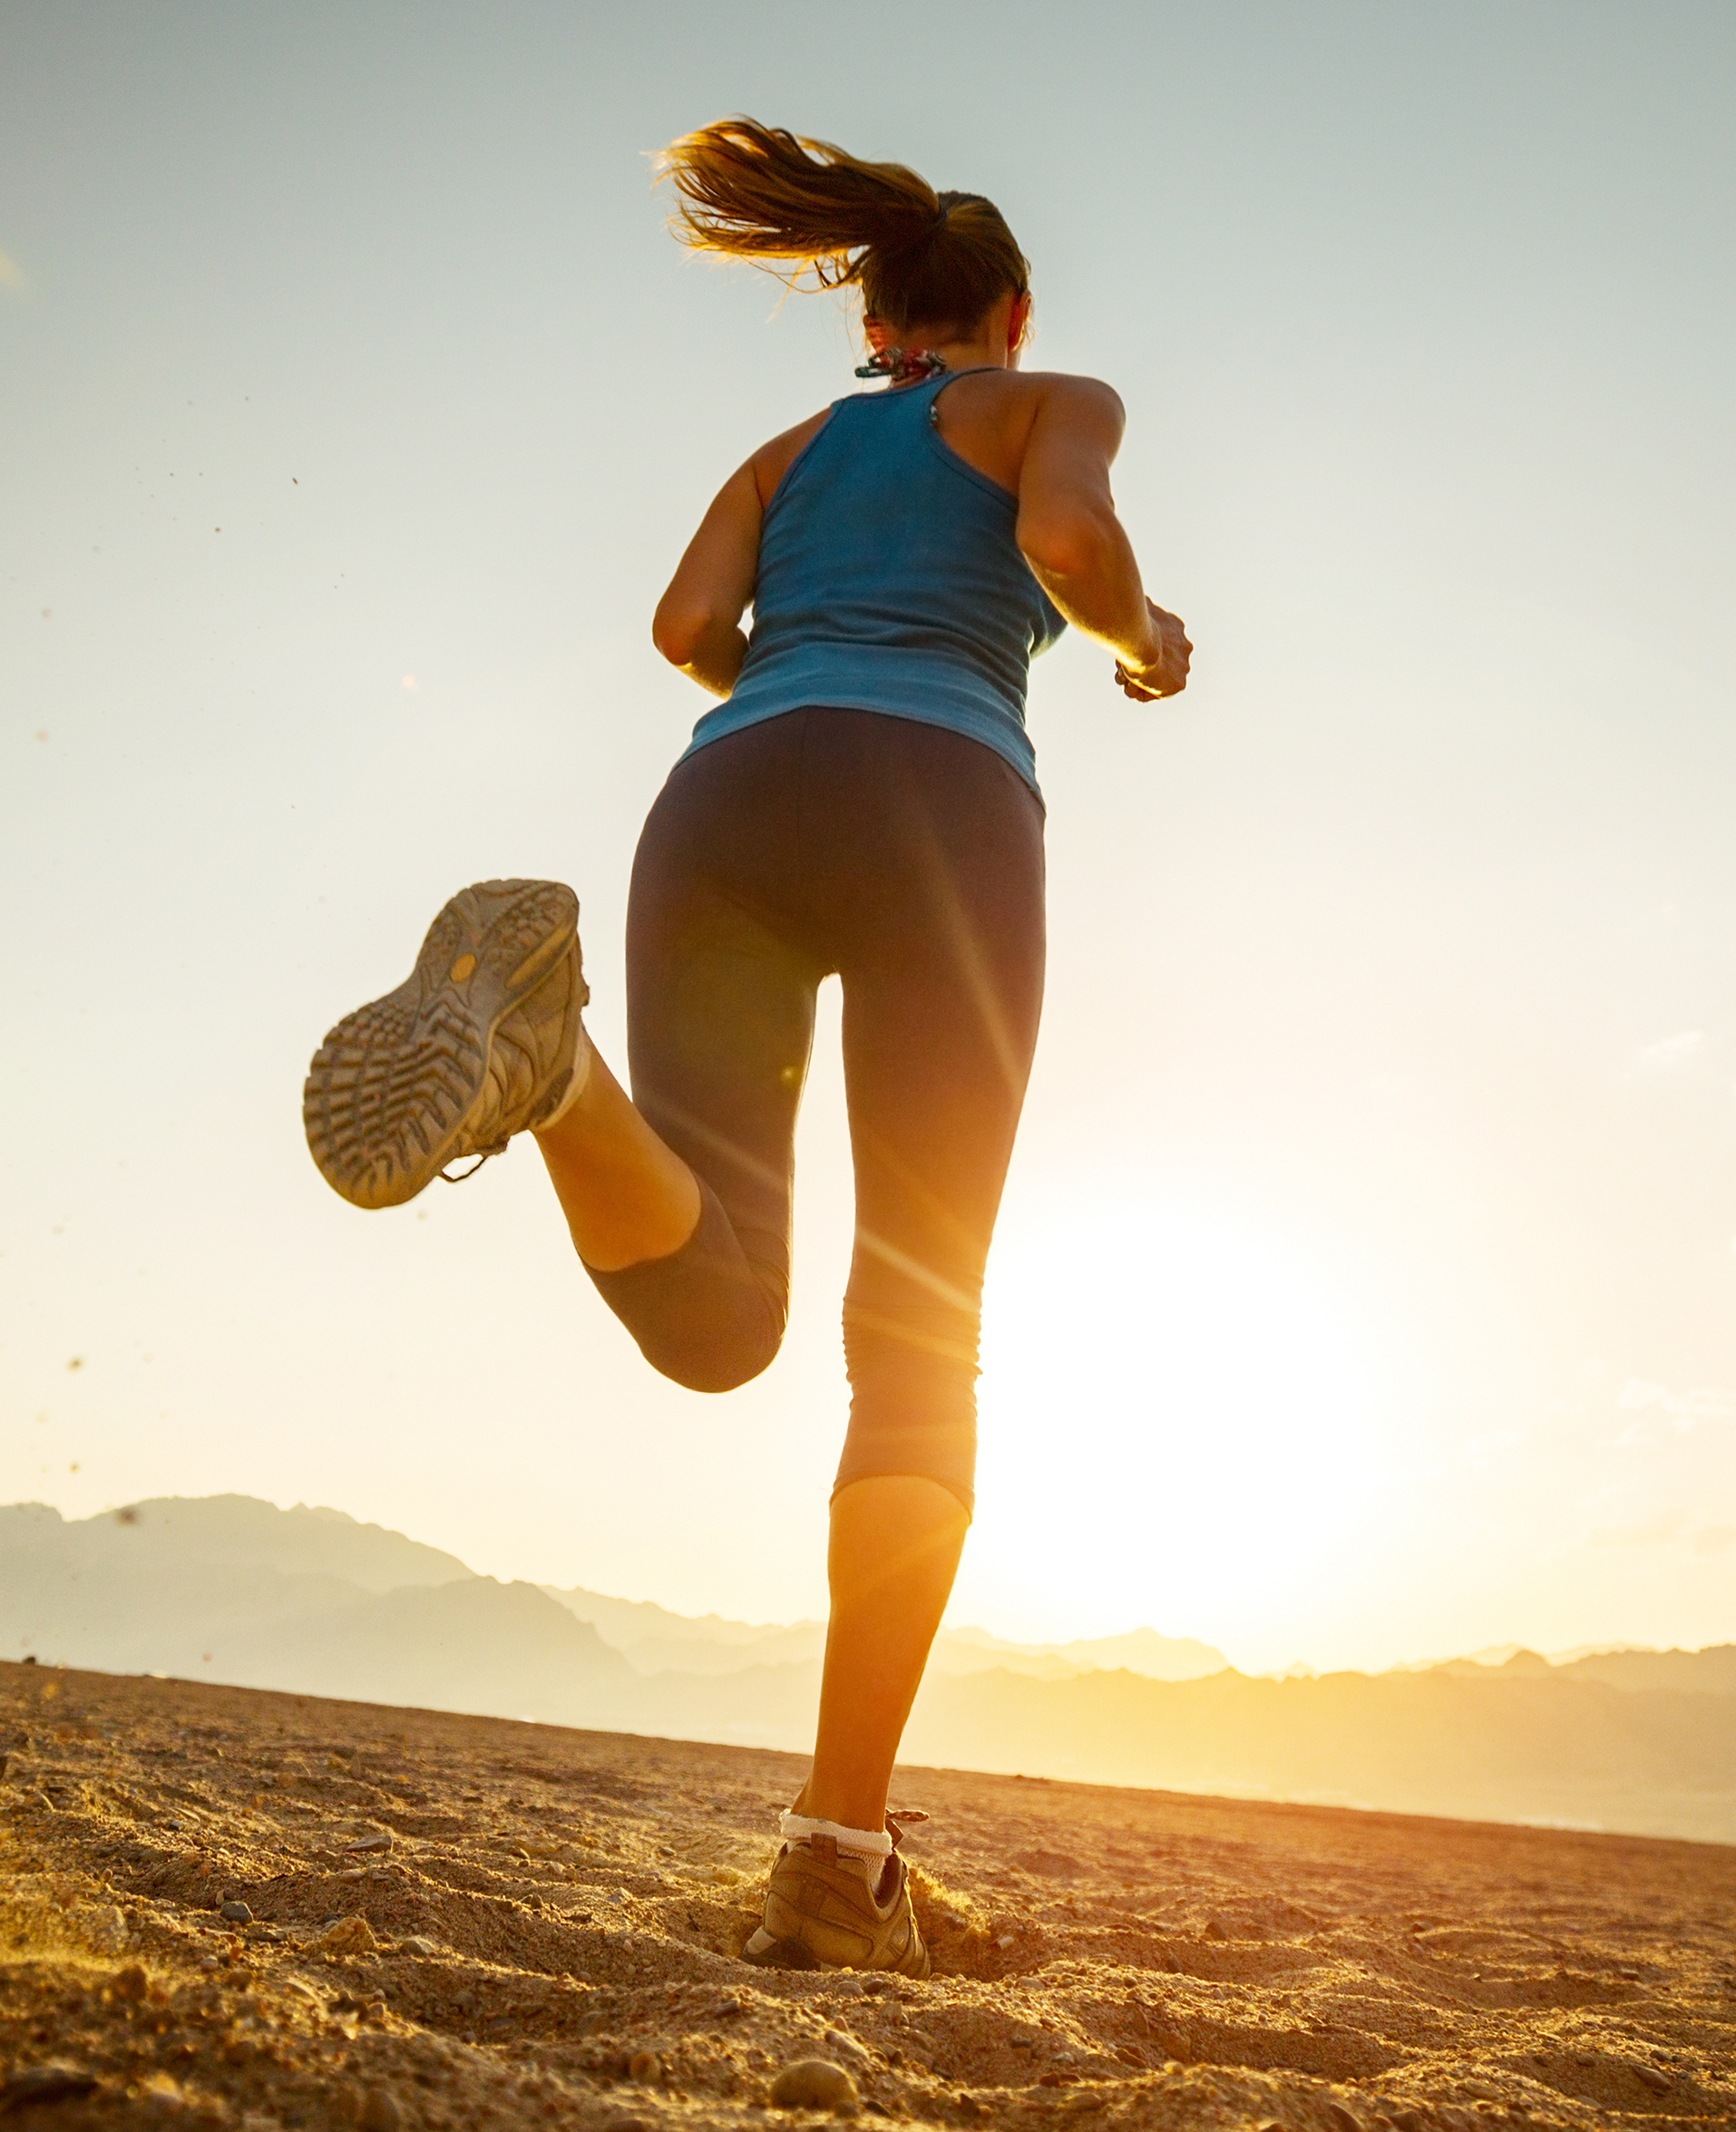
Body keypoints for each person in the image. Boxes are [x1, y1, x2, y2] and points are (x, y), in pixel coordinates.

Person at [299, 118, 1190, 1972]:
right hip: (941, 796)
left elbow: (689, 626)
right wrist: (1137, 635)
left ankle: (550, 1075)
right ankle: (836, 1847)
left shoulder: (784, 454)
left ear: (873, 321)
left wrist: (793, 684)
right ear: (1009, 313)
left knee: (716, 1318)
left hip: (723, 801)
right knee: (913, 1337)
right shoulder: (1045, 402)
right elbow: (1070, 539)